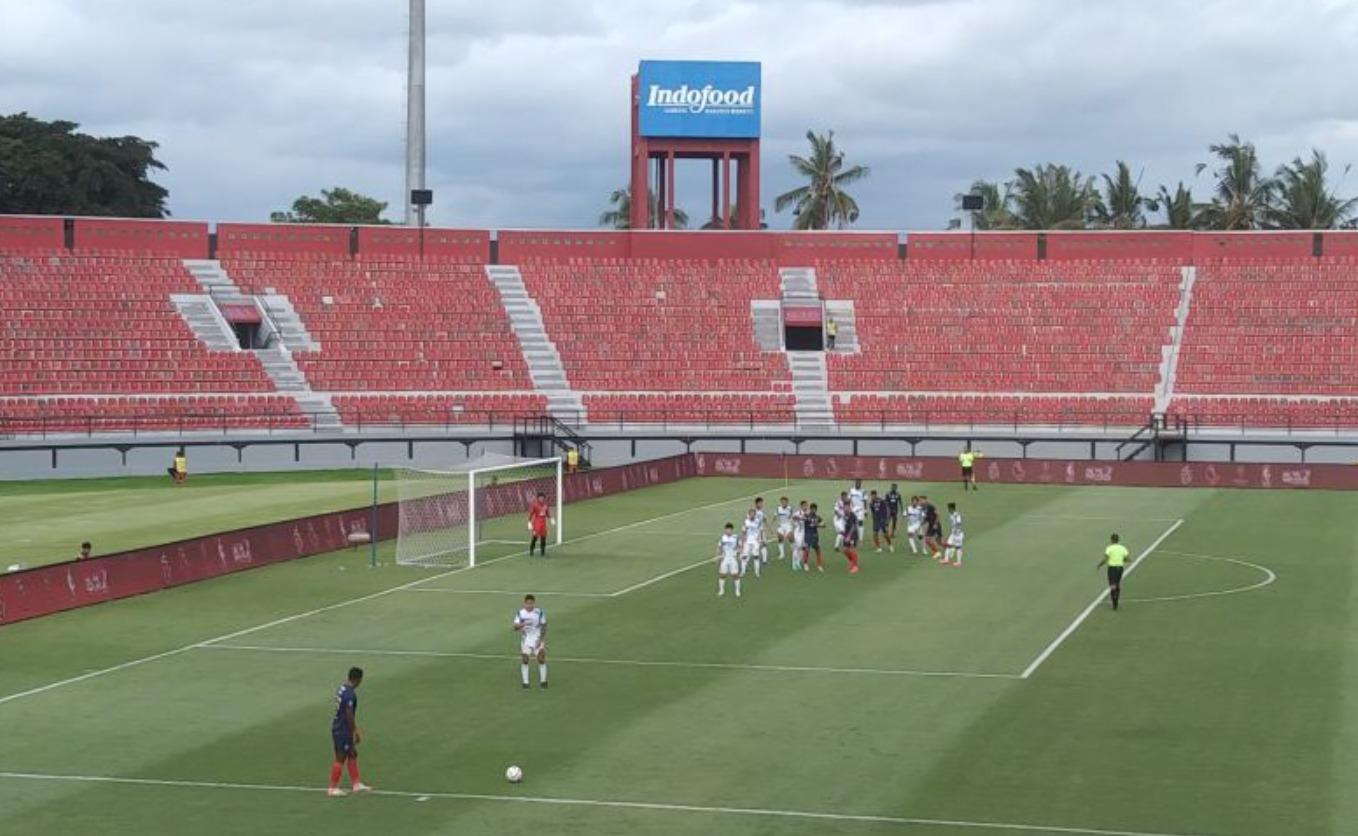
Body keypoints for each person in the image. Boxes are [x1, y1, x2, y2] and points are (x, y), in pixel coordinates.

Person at [328, 666, 371, 797]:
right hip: (342, 729)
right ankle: (332, 788)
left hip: (340, 727)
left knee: (352, 753)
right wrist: (355, 731)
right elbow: (349, 714)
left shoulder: (343, 688)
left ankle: (356, 784)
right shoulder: (350, 694)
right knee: (341, 756)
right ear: (357, 679)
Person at [513, 594, 548, 687]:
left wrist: (541, 640)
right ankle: (525, 683)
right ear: (524, 604)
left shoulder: (539, 613)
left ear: (534, 603)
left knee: (541, 659)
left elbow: (544, 626)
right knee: (525, 659)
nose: (529, 605)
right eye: (527, 603)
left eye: (531, 603)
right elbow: (515, 627)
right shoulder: (520, 613)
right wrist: (523, 624)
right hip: (526, 639)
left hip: (537, 638)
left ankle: (543, 682)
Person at [1096, 533, 1130, 611]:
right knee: (1117, 584)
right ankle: (1116, 600)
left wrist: (1099, 565)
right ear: (1118, 540)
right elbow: (1128, 559)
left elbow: (1105, 559)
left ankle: (1115, 603)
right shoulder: (1123, 548)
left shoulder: (1109, 548)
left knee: (1112, 586)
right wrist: (1121, 560)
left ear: (1111, 540)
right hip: (1120, 568)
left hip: (1112, 569)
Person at [716, 523, 742, 598]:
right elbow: (718, 547)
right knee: (722, 575)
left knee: (735, 575)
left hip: (733, 558)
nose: (728, 531)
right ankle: (721, 590)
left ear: (732, 530)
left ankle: (737, 590)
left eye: (729, 530)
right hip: (725, 559)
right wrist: (717, 557)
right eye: (726, 529)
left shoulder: (736, 538)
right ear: (725, 530)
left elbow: (740, 547)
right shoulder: (722, 538)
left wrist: (738, 552)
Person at [740, 508, 763, 579]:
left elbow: (760, 530)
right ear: (749, 514)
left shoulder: (758, 521)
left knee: (756, 557)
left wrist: (760, 539)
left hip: (755, 541)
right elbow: (743, 532)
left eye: (753, 514)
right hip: (747, 541)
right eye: (751, 514)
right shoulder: (746, 522)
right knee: (744, 556)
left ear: (755, 515)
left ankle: (757, 572)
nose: (752, 515)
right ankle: (742, 572)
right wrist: (742, 541)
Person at [527, 491, 551, 557]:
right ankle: (531, 549)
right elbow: (531, 513)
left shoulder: (546, 505)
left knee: (543, 537)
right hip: (537, 522)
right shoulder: (535, 505)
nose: (541, 499)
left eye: (542, 498)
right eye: (540, 498)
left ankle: (542, 551)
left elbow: (547, 513)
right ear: (538, 498)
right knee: (535, 537)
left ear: (544, 498)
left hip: (543, 522)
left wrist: (551, 519)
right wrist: (529, 522)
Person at [804, 502, 825, 572]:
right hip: (807, 535)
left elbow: (824, 524)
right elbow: (801, 518)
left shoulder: (817, 517)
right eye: (812, 509)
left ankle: (819, 565)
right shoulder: (806, 516)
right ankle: (805, 564)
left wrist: (819, 525)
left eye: (814, 509)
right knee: (807, 550)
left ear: (816, 510)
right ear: (810, 509)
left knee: (818, 550)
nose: (813, 510)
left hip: (815, 535)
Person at [922, 496, 944, 560]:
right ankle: (937, 552)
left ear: (925, 500)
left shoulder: (931, 506)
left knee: (938, 541)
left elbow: (938, 514)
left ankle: (939, 551)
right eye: (920, 501)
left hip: (935, 525)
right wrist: (922, 523)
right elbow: (927, 517)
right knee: (927, 540)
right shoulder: (924, 508)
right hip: (931, 525)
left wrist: (935, 524)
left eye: (922, 500)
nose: (921, 502)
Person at [943, 502, 964, 567]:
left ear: (951, 508)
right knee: (948, 544)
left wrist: (956, 529)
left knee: (958, 547)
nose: (948, 509)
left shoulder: (957, 515)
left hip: (958, 534)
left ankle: (959, 562)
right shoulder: (951, 514)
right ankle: (946, 559)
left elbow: (959, 523)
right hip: (953, 533)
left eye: (948, 508)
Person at [774, 497, 795, 561]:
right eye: (782, 502)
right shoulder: (778, 508)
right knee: (780, 539)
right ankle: (782, 554)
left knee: (790, 538)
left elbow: (793, 517)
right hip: (781, 525)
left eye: (785, 502)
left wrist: (794, 524)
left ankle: (793, 551)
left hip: (788, 525)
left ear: (787, 502)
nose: (783, 503)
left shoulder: (790, 508)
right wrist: (771, 524)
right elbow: (775, 516)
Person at [841, 507, 861, 574]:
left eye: (846, 509)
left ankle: (855, 567)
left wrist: (849, 536)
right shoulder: (845, 516)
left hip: (853, 536)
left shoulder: (852, 516)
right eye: (844, 509)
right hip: (846, 535)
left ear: (849, 509)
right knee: (845, 550)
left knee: (852, 550)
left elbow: (853, 527)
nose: (844, 510)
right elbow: (845, 525)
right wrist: (843, 534)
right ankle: (851, 561)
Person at [753, 496, 770, 566]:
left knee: (763, 545)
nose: (761, 504)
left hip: (760, 531)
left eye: (762, 503)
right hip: (757, 532)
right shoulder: (754, 512)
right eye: (760, 503)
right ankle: (763, 561)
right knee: (762, 545)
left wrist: (769, 529)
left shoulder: (761, 512)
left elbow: (764, 520)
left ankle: (764, 560)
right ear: (756, 504)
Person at [790, 501, 807, 571]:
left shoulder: (808, 513)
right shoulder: (798, 513)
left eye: (806, 506)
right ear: (801, 506)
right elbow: (793, 518)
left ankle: (798, 562)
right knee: (797, 546)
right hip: (798, 531)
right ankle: (793, 563)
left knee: (803, 547)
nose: (805, 507)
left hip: (805, 532)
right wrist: (800, 518)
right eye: (804, 506)